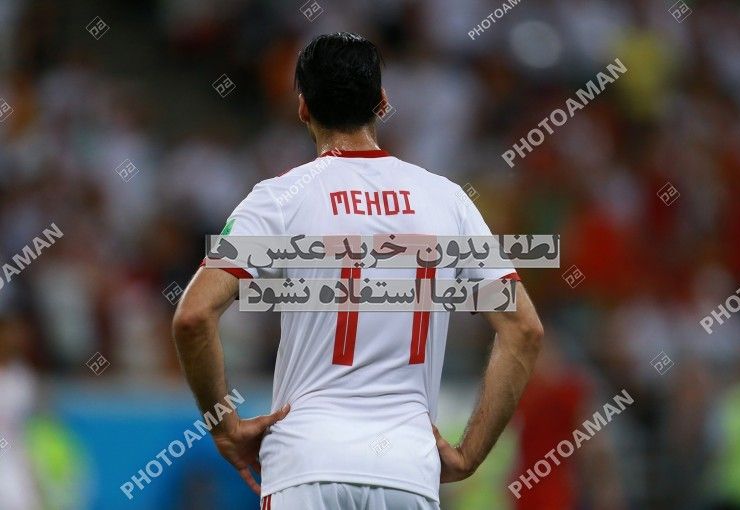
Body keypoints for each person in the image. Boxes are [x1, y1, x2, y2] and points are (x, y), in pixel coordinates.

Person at [172, 32, 543, 510]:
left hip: (307, 461)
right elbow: (523, 329)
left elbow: (193, 316)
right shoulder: (447, 200)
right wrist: (470, 454)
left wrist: (224, 427)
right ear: (382, 102)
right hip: (407, 468)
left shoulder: (279, 198)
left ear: (303, 108)